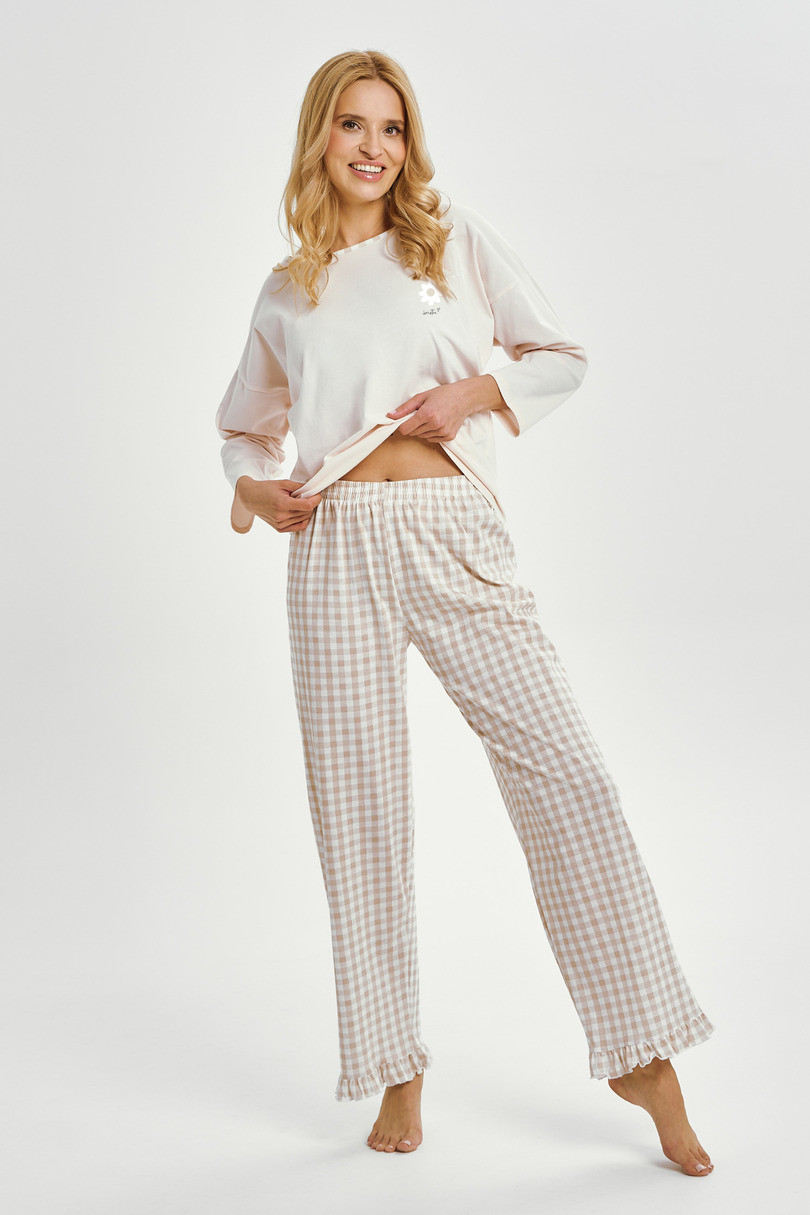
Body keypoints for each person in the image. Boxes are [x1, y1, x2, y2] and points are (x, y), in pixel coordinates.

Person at [214, 49, 716, 1175]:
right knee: (359, 808)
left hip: (451, 528)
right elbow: (243, 430)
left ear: (410, 144)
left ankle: (642, 1050)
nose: (373, 147)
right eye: (352, 125)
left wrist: (471, 392)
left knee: (568, 773)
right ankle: (394, 1062)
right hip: (334, 544)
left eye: (392, 128)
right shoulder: (286, 289)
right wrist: (254, 491)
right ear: (319, 137)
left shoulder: (452, 243)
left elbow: (558, 355)